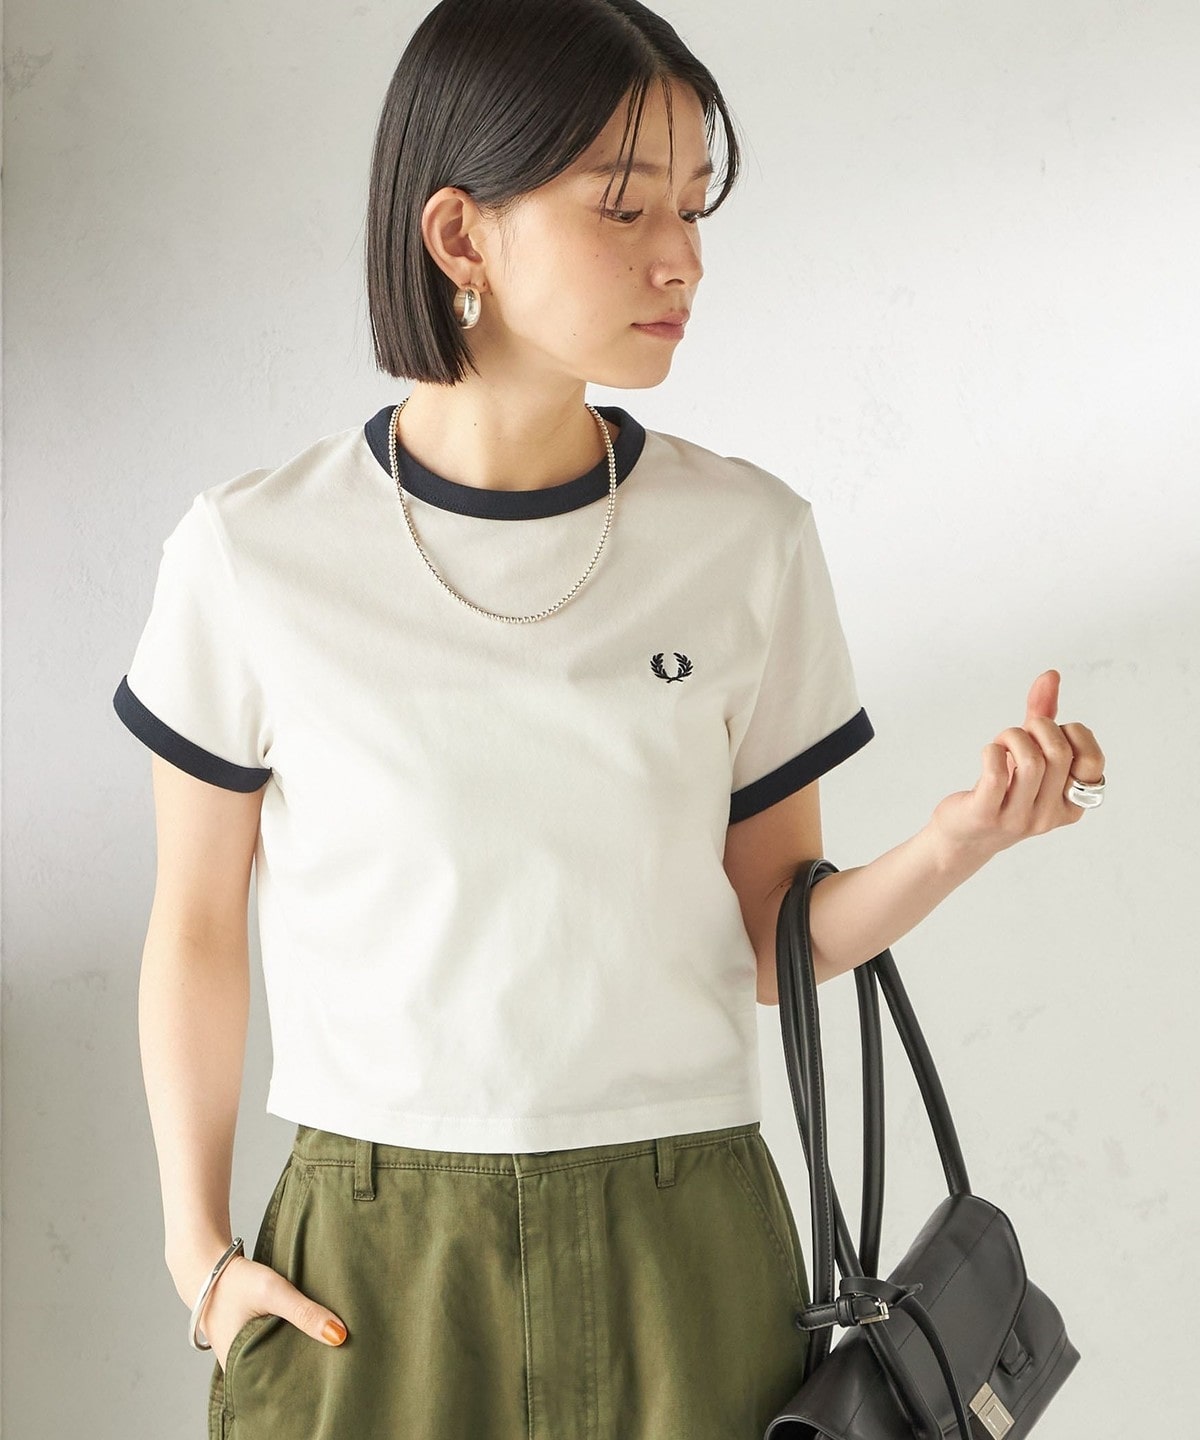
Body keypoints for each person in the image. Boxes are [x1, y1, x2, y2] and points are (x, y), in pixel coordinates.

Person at [112, 2, 1107, 1437]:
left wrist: (961, 842)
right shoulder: (253, 552)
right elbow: (199, 924)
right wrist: (196, 1252)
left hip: (683, 1236)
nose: (682, 256)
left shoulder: (747, 539)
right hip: (376, 1257)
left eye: (693, 206)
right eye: (625, 205)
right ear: (459, 235)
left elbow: (773, 940)